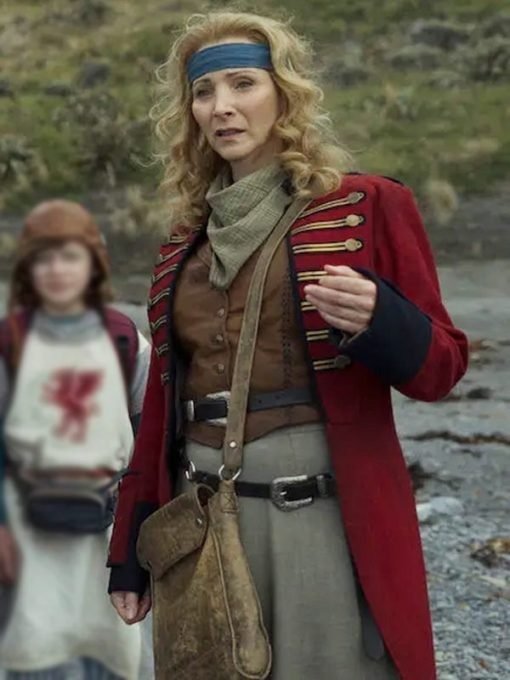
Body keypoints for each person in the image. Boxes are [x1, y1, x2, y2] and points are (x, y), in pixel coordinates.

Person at [107, 10, 468, 680]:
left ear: (285, 93)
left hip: (320, 521)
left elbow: (441, 369)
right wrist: (130, 548)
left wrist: (381, 319)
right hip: (202, 525)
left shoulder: (367, 205)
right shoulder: (182, 245)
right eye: (204, 92)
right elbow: (161, 407)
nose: (222, 106)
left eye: (243, 84)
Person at [0, 200, 151, 679]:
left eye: (70, 256)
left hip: (107, 530)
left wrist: (138, 525)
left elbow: (150, 433)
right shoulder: (9, 342)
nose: (57, 270)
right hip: (29, 531)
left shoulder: (125, 340)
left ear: (94, 263)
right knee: (39, 653)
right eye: (44, 258)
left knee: (112, 651)